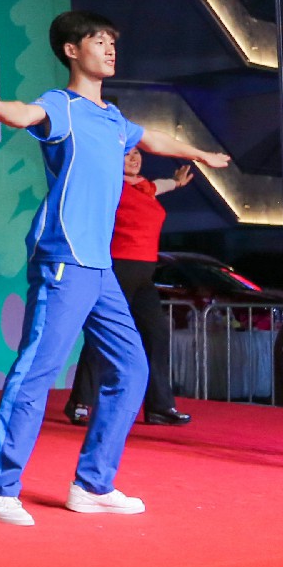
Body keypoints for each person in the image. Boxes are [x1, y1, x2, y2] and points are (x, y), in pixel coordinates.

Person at [0, 10, 231, 525]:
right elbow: (25, 114)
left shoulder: (113, 120)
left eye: (112, 42)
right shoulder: (59, 105)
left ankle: (92, 484)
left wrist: (200, 153)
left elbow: (152, 140)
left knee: (131, 369)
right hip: (64, 256)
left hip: (101, 267)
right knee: (37, 370)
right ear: (71, 50)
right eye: (99, 40)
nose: (110, 49)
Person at [62, 149, 196, 428]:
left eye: (137, 153)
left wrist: (175, 182)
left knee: (156, 335)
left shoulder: (145, 188)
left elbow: (158, 185)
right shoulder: (108, 185)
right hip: (117, 271)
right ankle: (81, 402)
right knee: (102, 336)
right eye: (126, 154)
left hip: (145, 276)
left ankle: (160, 407)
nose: (134, 158)